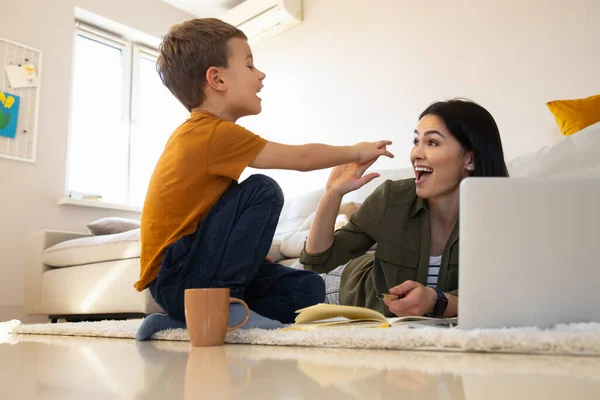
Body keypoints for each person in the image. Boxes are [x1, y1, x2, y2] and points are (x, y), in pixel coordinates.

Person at [134, 18, 394, 340]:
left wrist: (248, 252)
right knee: (263, 190)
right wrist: (355, 151)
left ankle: (184, 320)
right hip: (180, 276)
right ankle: (222, 305)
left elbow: (210, 219)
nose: (261, 75)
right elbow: (301, 159)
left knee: (307, 289)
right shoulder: (211, 133)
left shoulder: (208, 139)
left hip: (187, 281)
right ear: (216, 79)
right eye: (249, 65)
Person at [300, 99, 508, 319]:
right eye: (416, 141)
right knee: (283, 282)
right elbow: (318, 262)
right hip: (347, 285)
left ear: (470, 159)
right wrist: (333, 192)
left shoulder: (503, 217)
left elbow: (503, 296)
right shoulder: (392, 198)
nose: (416, 153)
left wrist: (436, 302)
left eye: (432, 143)